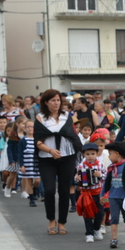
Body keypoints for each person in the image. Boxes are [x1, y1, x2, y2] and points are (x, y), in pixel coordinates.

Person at [34, 89, 82, 236]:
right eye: (53, 100)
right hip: (47, 158)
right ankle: (51, 220)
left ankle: (62, 222)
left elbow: (73, 135)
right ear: (46, 102)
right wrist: (50, 151)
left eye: (58, 100)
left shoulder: (68, 116)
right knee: (48, 190)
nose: (56, 103)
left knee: (64, 190)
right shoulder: (40, 117)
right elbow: (38, 141)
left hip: (67, 157)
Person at [75, 143, 106, 243]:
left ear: (97, 154)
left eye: (93, 153)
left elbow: (106, 177)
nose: (90, 156)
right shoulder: (81, 166)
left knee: (100, 213)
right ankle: (89, 233)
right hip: (86, 193)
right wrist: (77, 178)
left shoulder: (100, 165)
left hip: (98, 192)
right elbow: (76, 177)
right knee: (87, 214)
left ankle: (96, 229)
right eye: (87, 154)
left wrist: (99, 175)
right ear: (84, 155)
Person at [103, 142, 125, 249]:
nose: (109, 156)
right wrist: (103, 194)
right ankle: (114, 238)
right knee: (114, 218)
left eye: (110, 154)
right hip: (113, 197)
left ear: (117, 154)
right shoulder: (111, 168)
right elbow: (106, 183)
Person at [18, 120, 40, 207]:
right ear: (25, 129)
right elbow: (20, 154)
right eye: (29, 127)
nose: (31, 129)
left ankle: (35, 191)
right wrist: (22, 165)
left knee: (38, 180)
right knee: (29, 181)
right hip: (28, 163)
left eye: (32, 127)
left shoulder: (37, 139)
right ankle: (31, 199)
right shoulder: (23, 140)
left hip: (37, 163)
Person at [3, 122, 21, 198]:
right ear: (18, 124)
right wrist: (11, 160)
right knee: (13, 175)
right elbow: (9, 149)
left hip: (25, 156)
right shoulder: (14, 135)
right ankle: (8, 187)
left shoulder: (28, 133)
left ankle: (25, 191)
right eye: (22, 123)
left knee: (27, 175)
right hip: (15, 157)